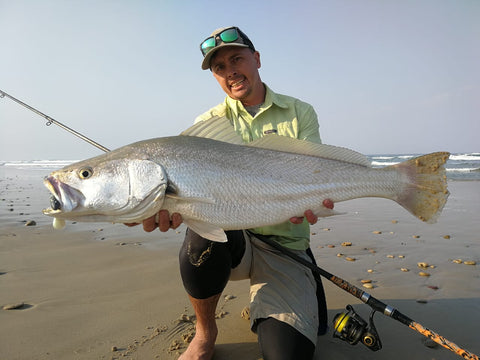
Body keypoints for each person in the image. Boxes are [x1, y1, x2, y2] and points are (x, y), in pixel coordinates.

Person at [136, 27, 330, 360]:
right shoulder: (208, 124)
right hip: (233, 243)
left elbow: (311, 173)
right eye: (220, 68)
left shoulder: (300, 112)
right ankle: (204, 333)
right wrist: (155, 205)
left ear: (256, 59)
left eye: (236, 59)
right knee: (200, 237)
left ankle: (284, 301)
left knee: (288, 355)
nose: (230, 72)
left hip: (285, 243)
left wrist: (311, 199)